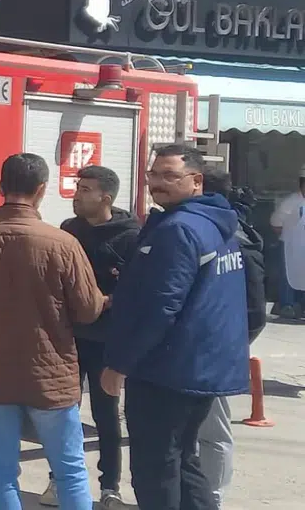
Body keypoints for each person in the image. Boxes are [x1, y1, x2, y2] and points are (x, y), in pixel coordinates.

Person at [0, 153, 105, 510]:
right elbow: (88, 310)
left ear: (1, 188)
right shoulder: (62, 243)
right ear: (42, 190)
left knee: (0, 470)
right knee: (70, 470)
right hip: (51, 376)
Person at [102, 144, 250, 510]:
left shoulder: (180, 229)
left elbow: (160, 306)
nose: (158, 183)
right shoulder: (214, 222)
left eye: (170, 176)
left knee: (156, 470)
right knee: (184, 459)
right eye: (154, 175)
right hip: (200, 366)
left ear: (196, 181)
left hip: (169, 370)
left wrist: (120, 363)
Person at [39, 166, 138, 510]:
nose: (77, 195)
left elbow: (136, 290)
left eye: (85, 189)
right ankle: (58, 480)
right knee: (62, 412)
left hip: (106, 340)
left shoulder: (130, 235)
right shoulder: (70, 230)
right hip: (68, 338)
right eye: (77, 187)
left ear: (105, 198)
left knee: (106, 415)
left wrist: (105, 301)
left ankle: (110, 487)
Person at [196, 169, 266, 509]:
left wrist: (232, 344)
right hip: (183, 357)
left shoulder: (236, 238)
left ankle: (211, 499)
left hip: (215, 354)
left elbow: (256, 310)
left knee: (213, 432)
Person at [269, 166, 305, 318]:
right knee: (288, 276)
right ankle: (287, 305)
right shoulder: (291, 202)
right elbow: (276, 223)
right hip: (290, 246)